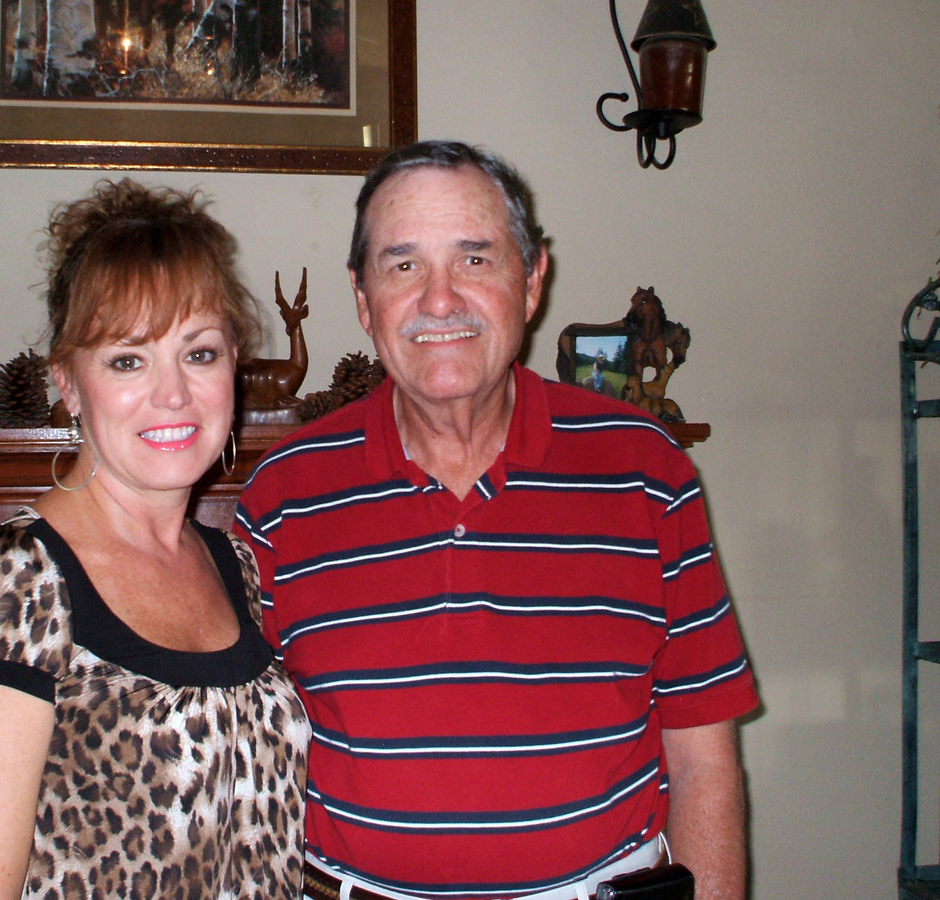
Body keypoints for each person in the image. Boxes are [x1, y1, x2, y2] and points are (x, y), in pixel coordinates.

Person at [235, 141, 759, 900]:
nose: (439, 300)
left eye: (475, 260)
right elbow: (246, 766)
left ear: (533, 279)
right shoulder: (284, 495)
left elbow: (705, 758)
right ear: (361, 297)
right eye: (403, 264)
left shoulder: (650, 474)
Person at [0, 179, 310, 899]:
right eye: (128, 359)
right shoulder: (8, 583)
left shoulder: (238, 568)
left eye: (200, 353)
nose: (173, 394)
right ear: (68, 383)